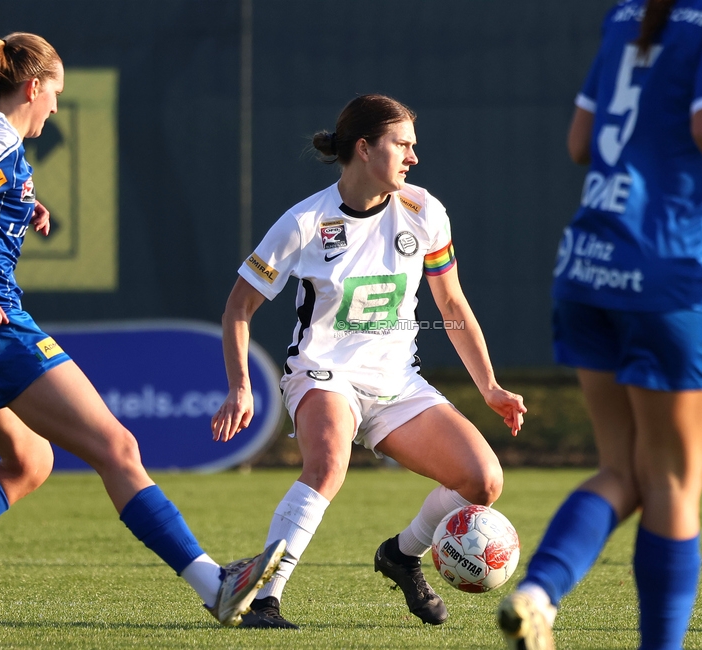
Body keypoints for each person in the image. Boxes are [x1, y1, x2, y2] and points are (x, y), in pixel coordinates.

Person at [0, 31, 284, 634]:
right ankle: (213, 585)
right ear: (33, 87)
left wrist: (18, 205)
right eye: (55, 93)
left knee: (29, 460)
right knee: (119, 450)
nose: (56, 106)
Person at [496, 2, 702, 649]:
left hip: (589, 264)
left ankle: (538, 592)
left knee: (624, 470)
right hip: (669, 273)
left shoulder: (629, 12)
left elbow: (582, 143)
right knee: (674, 482)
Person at [211, 93, 526, 629]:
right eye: (403, 144)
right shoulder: (304, 223)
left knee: (483, 482)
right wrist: (240, 385)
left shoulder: (424, 211)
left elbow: (451, 305)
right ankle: (264, 597)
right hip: (322, 372)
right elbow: (239, 307)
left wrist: (490, 387)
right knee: (329, 462)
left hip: (396, 382)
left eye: (413, 146)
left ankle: (401, 556)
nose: (413, 157)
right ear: (364, 148)